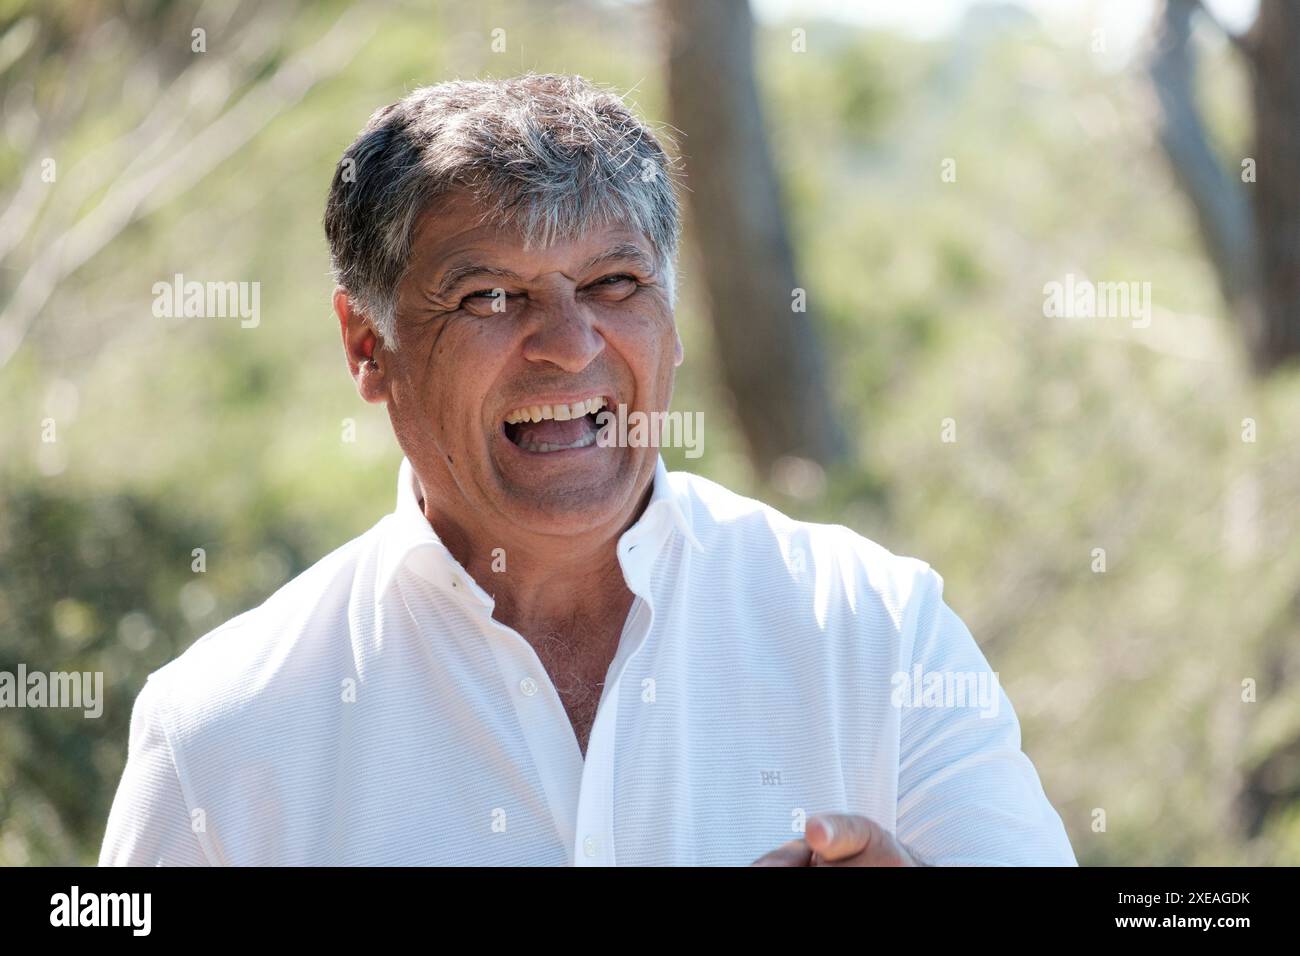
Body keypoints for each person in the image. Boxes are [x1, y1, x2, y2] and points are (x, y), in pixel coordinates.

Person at [100, 73, 1076, 866]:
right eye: (488, 296)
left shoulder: (879, 634)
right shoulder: (219, 737)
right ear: (366, 344)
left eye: (615, 282)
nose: (569, 345)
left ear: (673, 317)